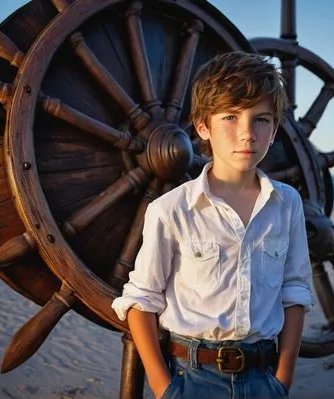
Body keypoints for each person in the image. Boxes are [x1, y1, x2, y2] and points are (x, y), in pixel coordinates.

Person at [112, 51, 312, 399]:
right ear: (203, 125)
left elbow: (294, 290)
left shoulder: (287, 204)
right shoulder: (171, 210)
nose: (247, 133)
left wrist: (283, 378)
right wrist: (165, 389)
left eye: (261, 119)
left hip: (264, 378)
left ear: (274, 128)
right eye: (231, 117)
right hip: (192, 378)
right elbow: (141, 301)